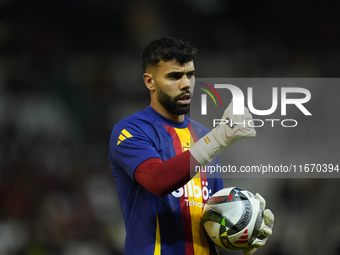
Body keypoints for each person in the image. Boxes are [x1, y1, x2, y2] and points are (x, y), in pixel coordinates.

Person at [109, 37, 273, 255]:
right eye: (174, 76)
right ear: (150, 81)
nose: (186, 84)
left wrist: (246, 219)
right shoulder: (131, 130)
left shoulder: (204, 136)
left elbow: (212, 211)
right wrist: (216, 140)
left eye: (190, 74)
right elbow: (158, 181)